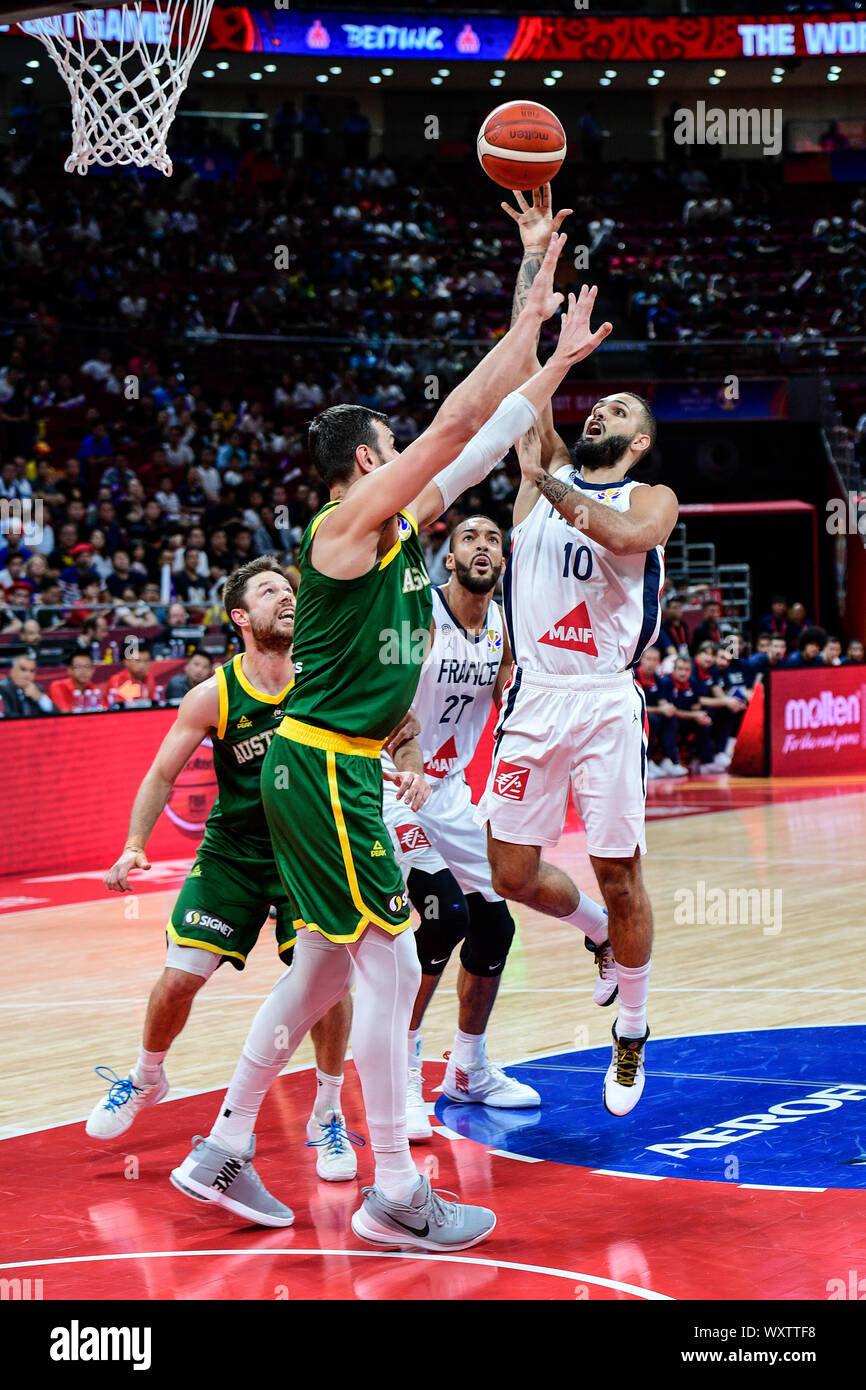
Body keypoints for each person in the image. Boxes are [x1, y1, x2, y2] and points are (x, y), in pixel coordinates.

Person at [170, 229, 610, 1248]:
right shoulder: (339, 529)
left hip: (338, 769)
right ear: (366, 459)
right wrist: (524, 316)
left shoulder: (396, 530)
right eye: (394, 442)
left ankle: (220, 1146)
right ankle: (396, 1190)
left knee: (324, 963)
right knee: (392, 960)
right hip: (324, 765)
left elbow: (486, 435)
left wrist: (544, 352)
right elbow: (455, 422)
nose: (414, 451)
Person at [477, 183, 677, 1119]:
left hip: (602, 700)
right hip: (535, 697)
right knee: (510, 874)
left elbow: (625, 540)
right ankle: (595, 934)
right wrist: (531, 263)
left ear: (639, 442)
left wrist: (550, 489)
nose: (603, 413)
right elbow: (526, 380)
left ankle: (632, 1032)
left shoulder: (651, 500)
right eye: (601, 405)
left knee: (621, 866)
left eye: (621, 411)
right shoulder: (543, 470)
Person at [89, 561, 360, 1183]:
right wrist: (135, 842)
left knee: (328, 986)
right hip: (233, 854)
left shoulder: (321, 673)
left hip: (309, 853)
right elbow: (161, 773)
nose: (287, 599)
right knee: (182, 974)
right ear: (241, 617)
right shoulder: (214, 694)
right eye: (270, 592)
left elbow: (386, 726)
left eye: (291, 591)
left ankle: (327, 1111)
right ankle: (146, 1077)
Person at [383, 513, 609, 1138]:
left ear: (501, 561)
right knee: (441, 918)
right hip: (388, 786)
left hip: (449, 789)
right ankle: (401, 1077)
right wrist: (407, 763)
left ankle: (468, 1068)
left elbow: (527, 693)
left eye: (491, 539)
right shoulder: (420, 618)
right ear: (448, 560)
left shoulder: (507, 629)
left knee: (496, 918)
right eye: (467, 539)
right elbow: (385, 700)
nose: (482, 546)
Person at [635, 645, 683, 779]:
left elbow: (661, 701)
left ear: (659, 662)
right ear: (641, 660)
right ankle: (646, 761)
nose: (651, 663)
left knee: (670, 718)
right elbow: (637, 707)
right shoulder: (633, 677)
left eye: (655, 660)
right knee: (652, 720)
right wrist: (660, 709)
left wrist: (668, 707)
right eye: (648, 659)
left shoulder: (658, 680)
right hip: (633, 717)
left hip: (651, 714)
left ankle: (667, 759)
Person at [0, 652, 55, 717]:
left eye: (32, 671)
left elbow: (57, 714)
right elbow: (7, 716)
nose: (28, 675)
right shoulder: (2, 688)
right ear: (12, 671)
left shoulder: (37, 689)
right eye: (23, 669)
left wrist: (40, 698)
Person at [106, 641, 157, 706]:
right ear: (126, 661)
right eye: (138, 660)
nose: (142, 665)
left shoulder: (150, 679)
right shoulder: (116, 680)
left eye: (146, 661)